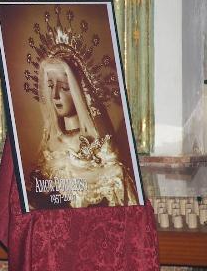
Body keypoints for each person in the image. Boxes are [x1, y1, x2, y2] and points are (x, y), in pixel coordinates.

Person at [28, 55, 139, 210]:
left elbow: (114, 184)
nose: (55, 96)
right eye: (51, 86)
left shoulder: (98, 145)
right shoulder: (50, 143)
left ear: (79, 91)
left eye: (65, 88)